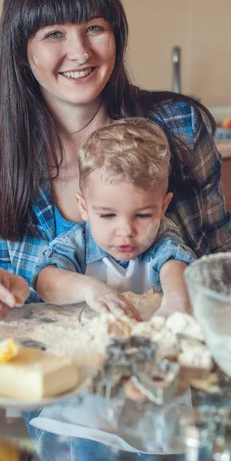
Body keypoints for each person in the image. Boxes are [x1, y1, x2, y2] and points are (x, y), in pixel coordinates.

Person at [0, 0, 231, 323]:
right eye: (54, 34)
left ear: (116, 36)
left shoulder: (179, 127)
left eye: (94, 28)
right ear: (22, 53)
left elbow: (223, 254)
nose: (80, 53)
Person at [34, 118, 196, 318]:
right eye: (108, 215)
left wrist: (176, 301)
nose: (126, 230)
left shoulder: (161, 238)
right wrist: (90, 289)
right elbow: (45, 281)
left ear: (163, 207)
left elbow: (174, 265)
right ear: (84, 207)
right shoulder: (77, 244)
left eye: (143, 215)